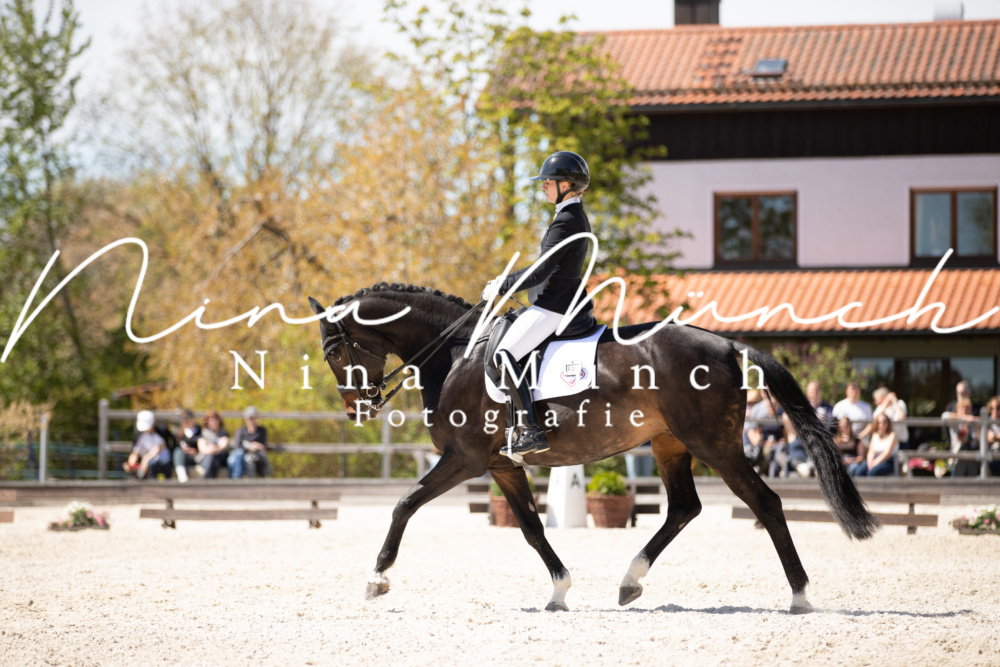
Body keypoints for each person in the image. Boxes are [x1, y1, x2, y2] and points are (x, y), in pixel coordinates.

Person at [482, 151, 593, 458]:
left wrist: (502, 284)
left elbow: (541, 270)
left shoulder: (567, 220)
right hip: (552, 302)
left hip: (554, 306)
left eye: (548, 181)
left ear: (566, 185)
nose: (543, 185)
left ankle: (531, 431)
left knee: (503, 355)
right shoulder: (569, 215)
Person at [124, 410, 173, 480]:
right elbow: (135, 451)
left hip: (162, 459)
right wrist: (130, 463)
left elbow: (160, 447)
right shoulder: (139, 434)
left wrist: (145, 459)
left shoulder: (161, 430)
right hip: (148, 462)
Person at [229, 406, 271, 479]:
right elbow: (237, 446)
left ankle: (238, 480)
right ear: (246, 419)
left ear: (257, 418)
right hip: (241, 455)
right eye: (249, 418)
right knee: (238, 456)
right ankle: (236, 480)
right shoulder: (240, 431)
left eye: (253, 418)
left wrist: (255, 446)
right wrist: (250, 446)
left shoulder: (261, 431)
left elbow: (263, 446)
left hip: (255, 456)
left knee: (249, 459)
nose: (251, 420)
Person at [942, 398, 979, 477]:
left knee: (972, 480)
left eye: (967, 408)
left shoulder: (973, 422)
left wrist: (976, 422)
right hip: (958, 455)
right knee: (957, 480)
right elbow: (944, 416)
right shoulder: (955, 421)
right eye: (962, 408)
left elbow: (977, 438)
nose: (964, 410)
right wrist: (964, 418)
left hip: (971, 455)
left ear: (971, 410)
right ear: (957, 409)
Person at [197, 410, 230, 478]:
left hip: (220, 458)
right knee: (210, 458)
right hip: (206, 458)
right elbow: (202, 448)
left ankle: (205, 479)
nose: (214, 422)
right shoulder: (203, 433)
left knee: (213, 459)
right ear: (207, 422)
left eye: (215, 420)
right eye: (211, 420)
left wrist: (213, 448)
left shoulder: (223, 433)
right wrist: (214, 448)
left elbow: (223, 445)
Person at [172, 409, 201, 483]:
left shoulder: (200, 431)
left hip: (197, 457)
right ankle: (182, 476)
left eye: (188, 419)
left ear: (193, 419)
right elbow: (174, 447)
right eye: (184, 420)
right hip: (183, 458)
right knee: (178, 451)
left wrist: (195, 451)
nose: (186, 421)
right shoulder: (178, 434)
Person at [985, 396, 1000, 476]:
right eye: (992, 408)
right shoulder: (987, 422)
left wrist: (995, 437)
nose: (995, 410)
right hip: (990, 456)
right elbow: (989, 439)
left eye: (998, 408)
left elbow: (992, 438)